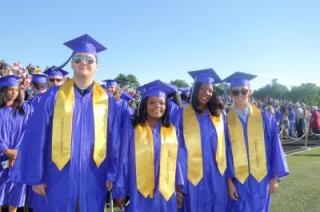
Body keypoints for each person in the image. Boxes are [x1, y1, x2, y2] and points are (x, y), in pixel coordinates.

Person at [12, 34, 120, 212]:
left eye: (89, 59)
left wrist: (112, 172)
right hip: (56, 177)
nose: (83, 62)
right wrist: (36, 177)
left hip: (94, 176)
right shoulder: (52, 97)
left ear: (97, 66)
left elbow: (114, 139)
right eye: (78, 58)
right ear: (71, 63)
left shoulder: (107, 101)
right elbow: (36, 138)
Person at [114, 80, 184, 212]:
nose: (157, 106)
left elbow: (176, 161)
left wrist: (179, 189)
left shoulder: (171, 130)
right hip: (139, 192)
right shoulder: (132, 128)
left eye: (161, 103)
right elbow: (123, 160)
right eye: (152, 102)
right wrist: (120, 190)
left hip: (165, 193)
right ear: (144, 105)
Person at [224, 72, 289, 212]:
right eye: (236, 92)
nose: (240, 95)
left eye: (244, 91)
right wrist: (229, 183)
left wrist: (274, 178)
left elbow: (275, 149)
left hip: (261, 180)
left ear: (250, 92)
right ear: (231, 94)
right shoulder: (225, 122)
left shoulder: (266, 118)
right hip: (238, 182)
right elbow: (223, 155)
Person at [181, 68, 229, 212]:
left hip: (217, 175)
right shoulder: (182, 114)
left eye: (209, 90)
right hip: (192, 177)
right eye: (202, 89)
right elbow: (178, 147)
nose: (205, 93)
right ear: (195, 90)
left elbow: (227, 146)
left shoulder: (220, 116)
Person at [0, 75, 27, 212]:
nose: (14, 92)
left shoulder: (23, 110)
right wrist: (5, 150)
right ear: (3, 91)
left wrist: (16, 153)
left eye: (16, 90)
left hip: (18, 157)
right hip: (1, 156)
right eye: (10, 89)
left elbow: (26, 132)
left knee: (16, 190)